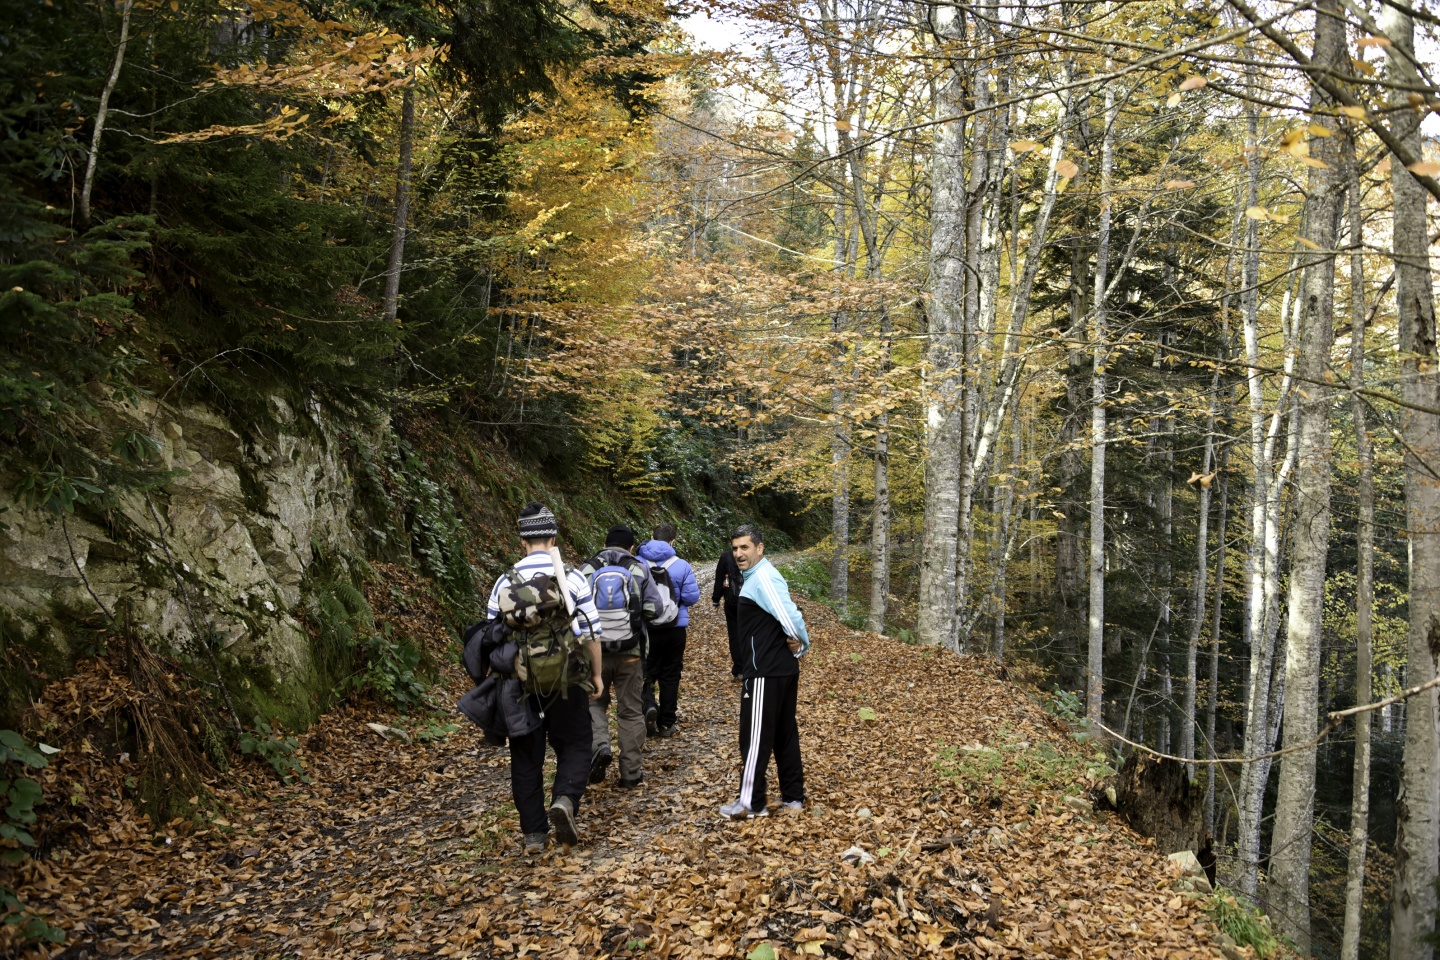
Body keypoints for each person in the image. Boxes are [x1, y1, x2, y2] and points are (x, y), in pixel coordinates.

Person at [483, 502, 604, 854]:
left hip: (521, 683)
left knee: (526, 756)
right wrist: (597, 674)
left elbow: (492, 635)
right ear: (553, 538)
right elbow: (592, 633)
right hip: (567, 678)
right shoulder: (572, 577)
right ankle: (565, 799)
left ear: (523, 540)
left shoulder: (504, 581)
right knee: (576, 743)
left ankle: (534, 834)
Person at [721, 524, 810, 819]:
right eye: (735, 548)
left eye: (745, 547)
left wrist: (802, 643)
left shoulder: (762, 578)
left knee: (754, 737)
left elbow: (789, 615)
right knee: (784, 734)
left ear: (759, 548)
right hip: (776, 668)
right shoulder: (757, 577)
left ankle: (751, 802)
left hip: (765, 671)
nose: (738, 554)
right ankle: (793, 797)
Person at [582, 524, 667, 789]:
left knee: (594, 704)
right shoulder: (639, 568)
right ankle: (631, 774)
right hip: (631, 652)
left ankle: (600, 747)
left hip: (594, 652)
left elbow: (574, 610)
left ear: (605, 544)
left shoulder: (588, 569)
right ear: (631, 547)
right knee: (630, 711)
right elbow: (655, 610)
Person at [638, 523, 701, 737]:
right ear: (672, 541)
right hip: (674, 628)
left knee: (645, 671)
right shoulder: (681, 565)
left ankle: (648, 706)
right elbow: (691, 597)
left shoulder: (637, 563)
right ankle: (666, 723)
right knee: (671, 673)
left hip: (646, 628)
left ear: (652, 537)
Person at [712, 542, 744, 679]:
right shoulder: (753, 555)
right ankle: (751, 667)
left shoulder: (726, 556)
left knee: (734, 635)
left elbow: (719, 578)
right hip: (749, 601)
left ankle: (739, 668)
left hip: (732, 601)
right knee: (749, 633)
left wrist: (716, 599)